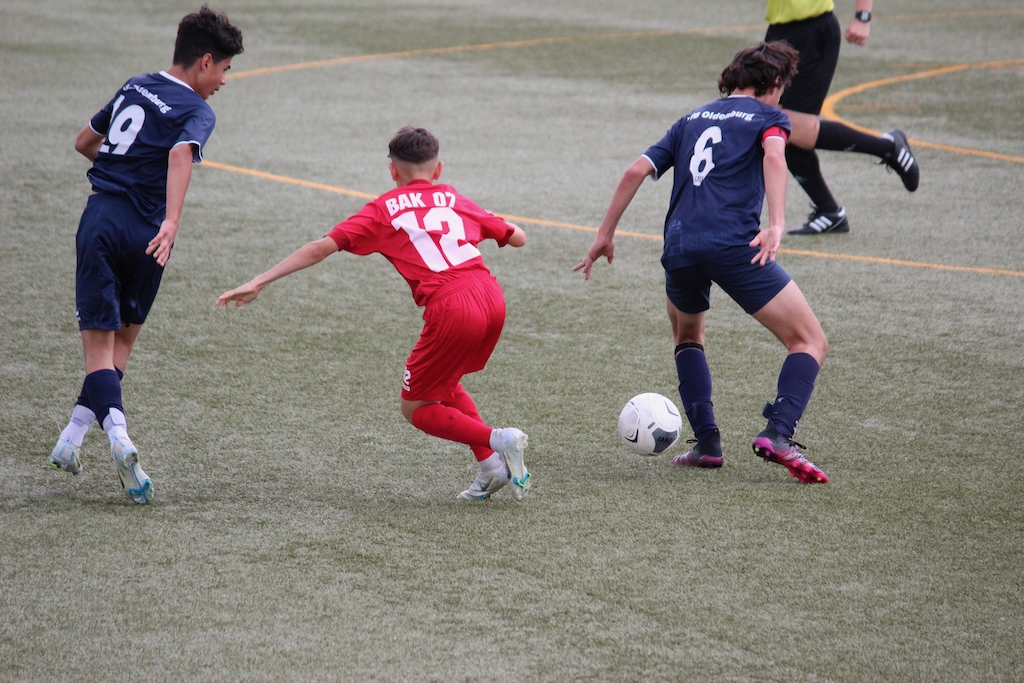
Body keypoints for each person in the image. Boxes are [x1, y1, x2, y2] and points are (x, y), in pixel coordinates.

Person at [216, 127, 532, 501]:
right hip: (491, 295)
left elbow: (320, 248)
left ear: (392, 170)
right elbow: (518, 237)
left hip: (452, 306)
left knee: (415, 408)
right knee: (443, 383)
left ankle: (498, 439)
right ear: (438, 169)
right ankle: (491, 467)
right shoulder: (453, 198)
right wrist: (486, 216)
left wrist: (259, 281)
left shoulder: (383, 209)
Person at [575, 42, 829, 484]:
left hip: (679, 247)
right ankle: (778, 434)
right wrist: (777, 223)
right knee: (809, 341)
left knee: (688, 336)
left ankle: (708, 444)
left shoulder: (690, 120)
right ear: (774, 83)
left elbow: (635, 171)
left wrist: (604, 234)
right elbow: (774, 156)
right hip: (732, 244)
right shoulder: (769, 117)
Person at [48, 6, 244, 503]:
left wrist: (123, 169)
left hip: (102, 220)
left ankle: (108, 437)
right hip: (152, 235)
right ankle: (79, 439)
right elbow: (180, 153)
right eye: (224, 69)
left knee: (98, 348)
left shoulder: (134, 86)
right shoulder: (198, 110)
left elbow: (84, 142)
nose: (223, 81)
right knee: (121, 345)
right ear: (205, 61)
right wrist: (171, 221)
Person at [765, 0, 920, 234]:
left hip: (813, 31)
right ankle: (829, 212)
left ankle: (888, 148)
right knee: (777, 127)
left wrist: (863, 15)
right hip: (778, 32)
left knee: (790, 126)